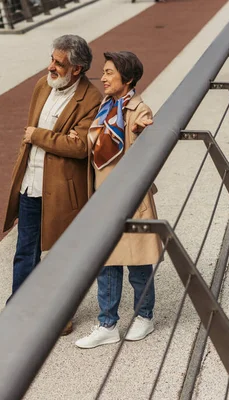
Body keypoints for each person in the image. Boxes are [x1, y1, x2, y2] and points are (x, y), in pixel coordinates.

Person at [3, 35, 102, 336]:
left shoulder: (91, 99)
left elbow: (81, 146)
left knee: (61, 255)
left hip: (62, 190)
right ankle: (19, 309)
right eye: (52, 59)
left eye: (59, 63)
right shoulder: (42, 85)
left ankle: (61, 314)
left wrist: (37, 136)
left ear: (78, 68)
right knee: (25, 250)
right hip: (30, 182)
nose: (51, 67)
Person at [74, 51, 162, 349]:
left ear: (128, 78)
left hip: (130, 197)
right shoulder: (105, 107)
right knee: (106, 262)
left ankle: (144, 316)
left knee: (137, 262)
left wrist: (140, 131)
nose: (104, 77)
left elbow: (146, 151)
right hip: (104, 196)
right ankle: (107, 324)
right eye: (104, 71)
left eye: (110, 72)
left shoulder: (139, 110)